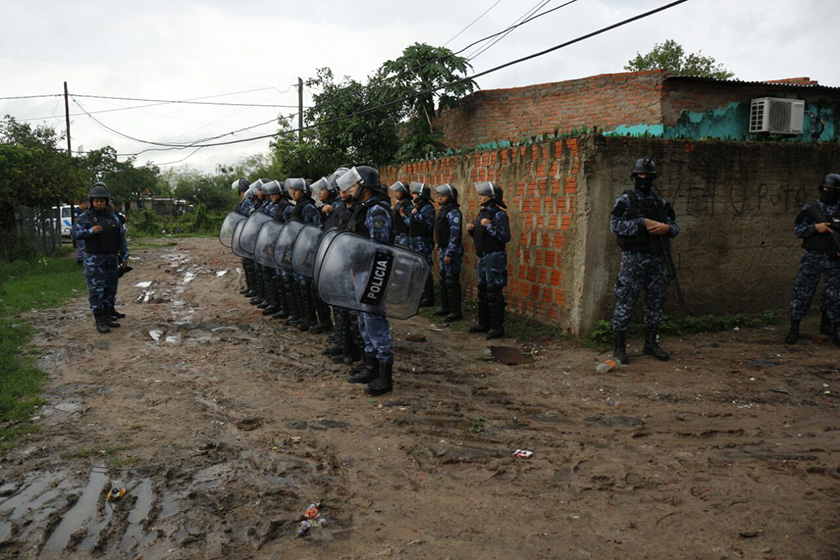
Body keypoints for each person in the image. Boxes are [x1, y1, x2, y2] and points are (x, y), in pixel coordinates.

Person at [609, 158, 679, 363]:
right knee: (626, 300)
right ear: (634, 176)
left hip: (657, 258)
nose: (645, 178)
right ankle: (619, 346)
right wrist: (641, 223)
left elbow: (675, 226)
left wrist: (667, 228)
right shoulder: (626, 200)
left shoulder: (660, 202)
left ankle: (650, 343)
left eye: (648, 175)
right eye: (641, 174)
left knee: (655, 301)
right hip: (633, 259)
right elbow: (615, 225)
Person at [337, 165, 395, 396]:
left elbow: (379, 247)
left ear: (365, 186)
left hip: (373, 272)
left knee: (374, 320)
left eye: (353, 185)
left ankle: (384, 375)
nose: (350, 189)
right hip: (360, 271)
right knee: (364, 319)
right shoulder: (364, 208)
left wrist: (372, 277)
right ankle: (370, 366)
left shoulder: (377, 211)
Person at [785, 173, 840, 345]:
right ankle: (794, 328)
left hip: (834, 259)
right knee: (802, 291)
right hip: (813, 257)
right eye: (826, 188)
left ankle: (835, 328)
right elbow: (798, 230)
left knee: (835, 295)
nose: (828, 192)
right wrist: (815, 228)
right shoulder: (810, 209)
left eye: (832, 189)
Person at [71, 182, 128, 333]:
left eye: (102, 201)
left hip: (111, 257)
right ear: (92, 201)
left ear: (106, 201)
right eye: (96, 201)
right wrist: (91, 231)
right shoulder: (86, 217)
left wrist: (124, 256)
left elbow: (121, 237)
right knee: (97, 290)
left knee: (110, 289)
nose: (99, 204)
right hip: (94, 259)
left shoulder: (113, 217)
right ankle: (99, 319)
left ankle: (108, 315)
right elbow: (74, 234)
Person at [467, 181, 511, 339]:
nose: (479, 197)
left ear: (492, 197)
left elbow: (505, 237)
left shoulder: (499, 215)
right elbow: (482, 236)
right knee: (482, 290)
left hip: (495, 257)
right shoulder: (482, 213)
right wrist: (472, 230)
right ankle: (483, 324)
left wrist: (490, 226)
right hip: (483, 256)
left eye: (483, 195)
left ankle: (497, 328)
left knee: (493, 291)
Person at [285, 178, 321, 331]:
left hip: (305, 252)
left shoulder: (308, 207)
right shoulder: (298, 206)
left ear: (304, 192)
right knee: (298, 286)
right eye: (292, 190)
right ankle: (304, 317)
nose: (293, 193)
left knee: (306, 286)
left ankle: (312, 320)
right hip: (297, 250)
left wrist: (309, 254)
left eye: (296, 190)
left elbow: (315, 232)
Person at [433, 183, 464, 322]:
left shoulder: (453, 212)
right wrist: (439, 243)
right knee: (443, 279)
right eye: (439, 196)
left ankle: (455, 311)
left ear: (450, 197)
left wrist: (449, 253)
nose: (440, 198)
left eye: (443, 196)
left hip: (451, 250)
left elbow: (454, 235)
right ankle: (444, 307)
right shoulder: (443, 210)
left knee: (452, 280)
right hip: (443, 248)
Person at [408, 182, 436, 307]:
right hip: (415, 242)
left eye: (415, 193)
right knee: (418, 269)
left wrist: (416, 215)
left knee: (425, 268)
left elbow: (429, 224)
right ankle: (421, 295)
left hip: (423, 242)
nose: (413, 195)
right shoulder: (418, 206)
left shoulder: (427, 208)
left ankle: (428, 297)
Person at [389, 181, 412, 248]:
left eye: (398, 191)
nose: (395, 193)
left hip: (404, 236)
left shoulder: (407, 204)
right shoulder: (399, 204)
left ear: (404, 193)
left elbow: (411, 223)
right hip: (396, 234)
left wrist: (403, 215)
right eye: (395, 191)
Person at [73, 199, 89, 264]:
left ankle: (83, 258)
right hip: (79, 229)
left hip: (85, 229)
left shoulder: (85, 211)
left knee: (84, 245)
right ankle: (80, 258)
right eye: (86, 204)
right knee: (81, 245)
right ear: (83, 203)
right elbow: (76, 220)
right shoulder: (77, 210)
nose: (87, 206)